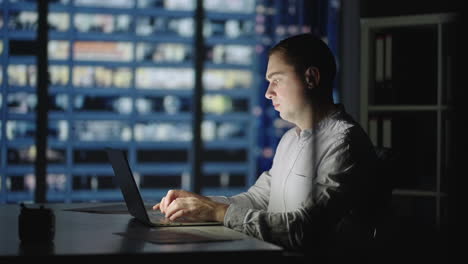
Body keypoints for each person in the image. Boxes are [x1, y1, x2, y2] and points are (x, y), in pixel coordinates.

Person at [153, 33, 379, 259]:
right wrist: (200, 204)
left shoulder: (343, 143)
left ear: (311, 78)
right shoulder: (291, 139)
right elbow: (257, 200)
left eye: (276, 80)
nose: (268, 93)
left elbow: (306, 230)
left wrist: (216, 212)